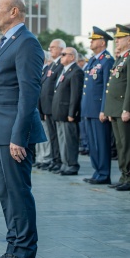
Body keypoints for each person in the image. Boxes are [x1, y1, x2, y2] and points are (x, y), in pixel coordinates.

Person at [0, 0, 46, 258]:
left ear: (15, 12)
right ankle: (12, 248)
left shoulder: (27, 44)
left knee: (18, 193)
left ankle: (24, 254)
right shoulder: (5, 42)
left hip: (13, 134)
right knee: (6, 193)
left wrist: (18, 136)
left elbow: (29, 93)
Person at [81, 27, 114, 185]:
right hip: (89, 109)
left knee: (101, 143)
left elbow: (107, 87)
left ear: (102, 42)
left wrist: (104, 110)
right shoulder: (94, 60)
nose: (91, 42)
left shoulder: (107, 60)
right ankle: (97, 172)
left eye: (94, 40)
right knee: (93, 144)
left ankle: (104, 174)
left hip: (98, 110)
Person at [104, 24, 130, 191]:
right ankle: (123, 175)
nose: (117, 41)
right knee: (120, 145)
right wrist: (110, 110)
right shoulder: (121, 58)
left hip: (123, 108)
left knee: (126, 145)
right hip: (116, 108)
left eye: (120, 38)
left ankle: (128, 177)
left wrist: (127, 108)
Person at [51, 47, 84, 176]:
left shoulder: (76, 72)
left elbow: (75, 95)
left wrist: (72, 113)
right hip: (60, 112)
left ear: (72, 57)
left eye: (64, 54)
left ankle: (72, 165)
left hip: (67, 113)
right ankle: (65, 164)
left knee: (69, 140)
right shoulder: (64, 71)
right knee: (62, 140)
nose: (61, 56)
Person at [39, 38, 65, 172]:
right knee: (52, 136)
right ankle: (55, 159)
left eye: (53, 47)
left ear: (61, 49)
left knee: (56, 136)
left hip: (54, 107)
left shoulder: (61, 65)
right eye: (50, 47)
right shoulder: (52, 66)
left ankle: (59, 160)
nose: (50, 49)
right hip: (47, 107)